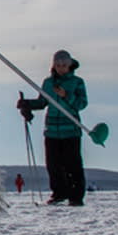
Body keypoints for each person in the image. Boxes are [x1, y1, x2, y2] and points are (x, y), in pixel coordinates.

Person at [17, 50, 89, 206]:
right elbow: (42, 102)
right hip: (51, 131)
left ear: (70, 65)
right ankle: (59, 193)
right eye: (58, 65)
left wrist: (66, 95)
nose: (61, 68)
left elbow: (82, 104)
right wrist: (27, 104)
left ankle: (76, 196)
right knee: (53, 164)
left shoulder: (77, 82)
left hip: (71, 130)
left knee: (73, 164)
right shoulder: (48, 83)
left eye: (64, 65)